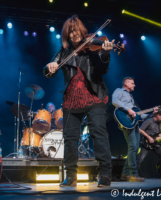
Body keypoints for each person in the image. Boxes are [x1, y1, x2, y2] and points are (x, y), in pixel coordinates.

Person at [43, 15, 114, 187]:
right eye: (70, 32)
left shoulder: (92, 46)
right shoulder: (63, 52)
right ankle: (71, 176)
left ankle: (105, 174)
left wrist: (105, 53)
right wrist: (49, 66)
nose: (74, 35)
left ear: (82, 30)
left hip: (93, 95)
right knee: (70, 138)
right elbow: (48, 71)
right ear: (66, 35)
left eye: (76, 31)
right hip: (72, 99)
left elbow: (103, 69)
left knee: (98, 133)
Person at [112, 77, 158, 182]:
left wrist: (152, 113)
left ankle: (125, 173)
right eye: (132, 83)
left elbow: (139, 115)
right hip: (126, 123)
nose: (134, 85)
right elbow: (114, 101)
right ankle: (134, 174)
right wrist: (128, 109)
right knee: (133, 147)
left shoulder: (131, 97)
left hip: (134, 124)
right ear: (126, 83)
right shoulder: (119, 91)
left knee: (136, 148)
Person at [137, 110, 161, 179]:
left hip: (155, 144)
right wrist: (148, 137)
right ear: (158, 115)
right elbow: (140, 130)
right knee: (140, 159)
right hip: (146, 143)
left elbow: (160, 135)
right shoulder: (148, 121)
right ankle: (133, 175)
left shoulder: (158, 124)